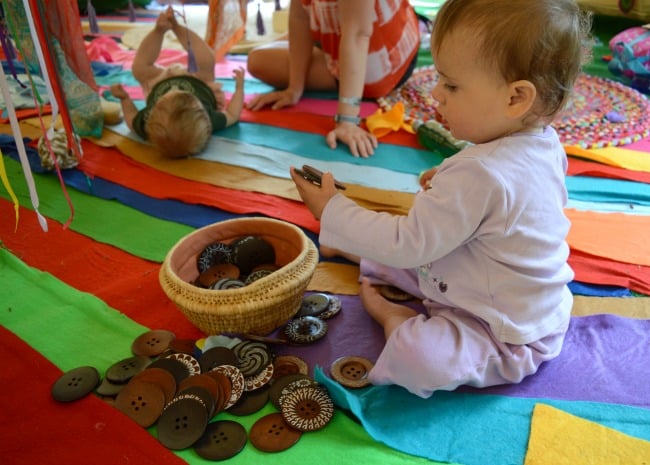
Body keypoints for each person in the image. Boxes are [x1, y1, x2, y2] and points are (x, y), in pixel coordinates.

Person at [291, 0, 591, 398]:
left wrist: (332, 208)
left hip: (503, 330)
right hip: (495, 284)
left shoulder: (481, 174)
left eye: (451, 85)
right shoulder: (542, 142)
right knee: (423, 251)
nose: (435, 93)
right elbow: (510, 199)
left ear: (516, 98)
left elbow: (407, 243)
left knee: (420, 358)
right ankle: (353, 250)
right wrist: (453, 183)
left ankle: (393, 316)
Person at [246, 0, 420, 158]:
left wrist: (348, 120)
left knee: (262, 57)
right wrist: (294, 88)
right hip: (349, 42)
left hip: (379, 64)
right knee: (258, 60)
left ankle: (345, 78)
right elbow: (300, 17)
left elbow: (358, 34)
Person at [110, 6, 246, 158]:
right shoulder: (208, 120)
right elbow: (233, 115)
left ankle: (158, 31)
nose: (175, 91)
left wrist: (124, 99)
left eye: (168, 99)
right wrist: (240, 89)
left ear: (152, 113)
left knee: (139, 68)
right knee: (207, 60)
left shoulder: (147, 123)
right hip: (200, 82)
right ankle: (177, 27)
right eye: (187, 97)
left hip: (157, 84)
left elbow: (131, 119)